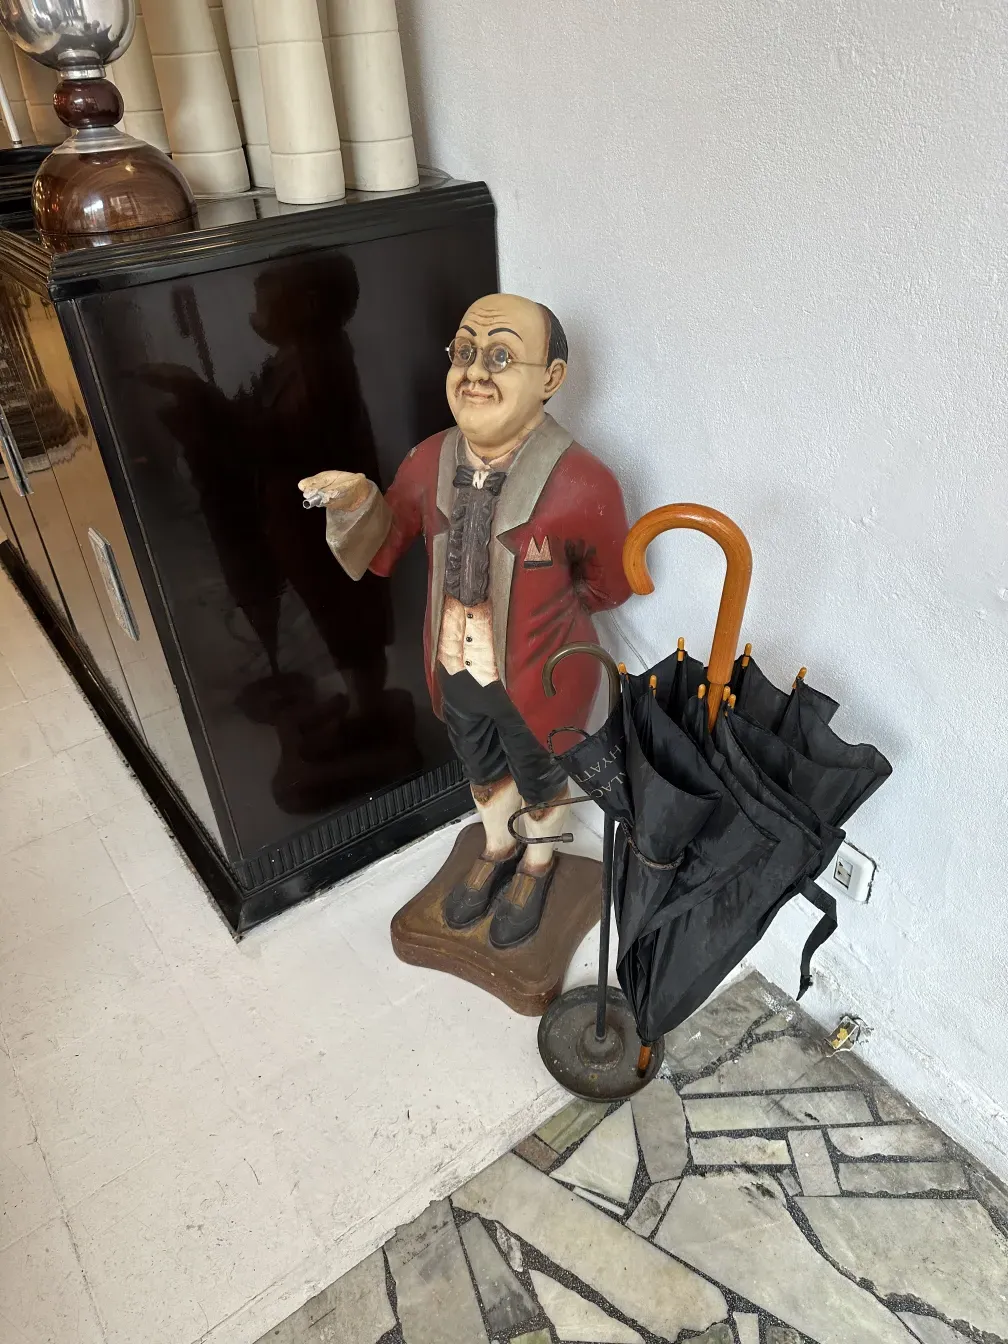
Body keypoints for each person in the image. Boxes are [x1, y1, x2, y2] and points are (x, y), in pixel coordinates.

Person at [299, 293, 631, 946]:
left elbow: (607, 585)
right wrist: (357, 499)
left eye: (501, 356)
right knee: (480, 770)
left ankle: (538, 863)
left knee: (541, 776)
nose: (475, 372)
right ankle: (497, 846)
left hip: (541, 676)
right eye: (465, 351)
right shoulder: (429, 461)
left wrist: (541, 619)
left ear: (551, 378)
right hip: (454, 663)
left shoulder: (585, 482)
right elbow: (384, 547)